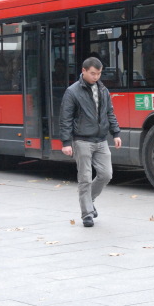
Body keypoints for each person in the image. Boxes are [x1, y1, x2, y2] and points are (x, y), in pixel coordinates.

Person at [59, 57, 122, 227]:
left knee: (106, 174)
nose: (96, 77)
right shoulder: (72, 92)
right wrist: (66, 142)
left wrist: (116, 133)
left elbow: (110, 112)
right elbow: (65, 118)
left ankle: (90, 200)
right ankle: (87, 213)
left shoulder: (103, 90)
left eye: (99, 73)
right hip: (82, 140)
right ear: (84, 71)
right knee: (85, 177)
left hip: (101, 140)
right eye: (93, 73)